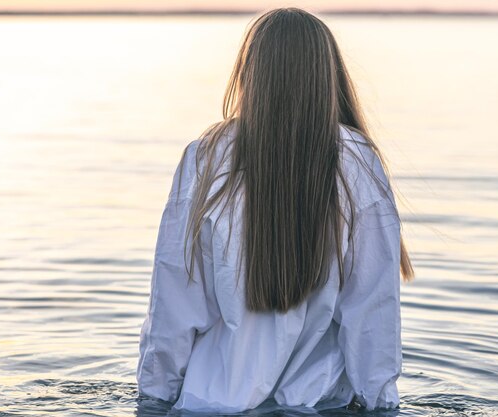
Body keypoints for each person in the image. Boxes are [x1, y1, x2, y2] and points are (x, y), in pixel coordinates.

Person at [136, 7, 415, 414]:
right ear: (329, 75)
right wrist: (383, 404)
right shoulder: (357, 162)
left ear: (249, 74)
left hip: (210, 404)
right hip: (319, 405)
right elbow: (373, 312)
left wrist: (153, 398)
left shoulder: (206, 159)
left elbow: (174, 304)